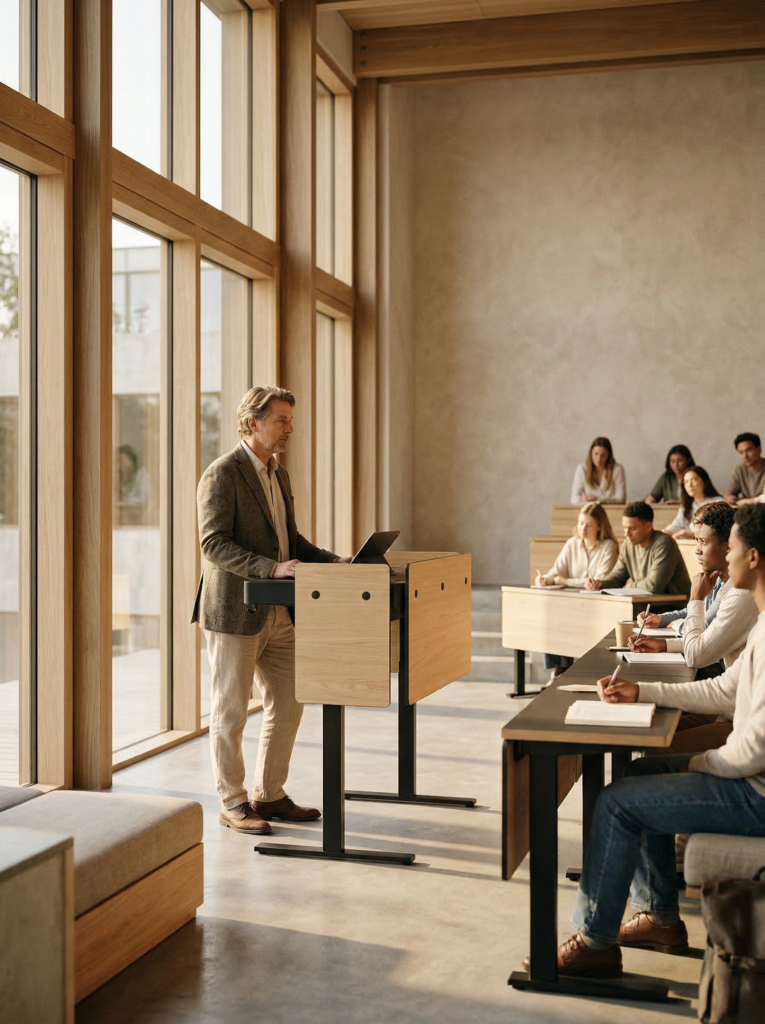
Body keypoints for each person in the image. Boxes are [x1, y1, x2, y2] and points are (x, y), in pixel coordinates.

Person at [524, 505, 765, 978]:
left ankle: (595, 942)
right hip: (749, 778)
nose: (722, 559)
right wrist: (643, 691)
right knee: (636, 774)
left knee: (617, 803)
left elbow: (752, 749)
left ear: (753, 557)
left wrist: (695, 763)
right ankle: (660, 917)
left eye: (731, 548)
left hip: (753, 793)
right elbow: (722, 688)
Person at [192, 385, 350, 836]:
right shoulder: (222, 474)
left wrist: (333, 561)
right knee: (231, 712)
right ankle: (233, 802)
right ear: (251, 423)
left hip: (280, 612)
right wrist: (271, 568)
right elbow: (213, 542)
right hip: (234, 613)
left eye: (289, 420)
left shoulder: (279, 475)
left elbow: (291, 542)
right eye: (281, 420)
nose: (289, 429)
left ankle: (269, 793)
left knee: (291, 700)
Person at [632, 502, 758, 673]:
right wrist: (664, 644)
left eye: (703, 542)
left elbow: (696, 655)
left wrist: (696, 599)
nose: (697, 550)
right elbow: (706, 642)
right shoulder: (726, 583)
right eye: (697, 541)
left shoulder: (742, 594)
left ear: (728, 547)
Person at [536, 503, 619, 683]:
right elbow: (557, 571)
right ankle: (558, 669)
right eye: (581, 523)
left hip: (597, 604)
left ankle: (563, 670)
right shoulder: (572, 543)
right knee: (551, 615)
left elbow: (599, 580)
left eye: (589, 525)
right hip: (573, 601)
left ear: (599, 526)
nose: (583, 528)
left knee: (568, 617)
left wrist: (565, 581)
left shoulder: (608, 546)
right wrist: (545, 579)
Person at [585, 501, 690, 595]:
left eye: (632, 528)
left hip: (674, 607)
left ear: (648, 527)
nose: (627, 534)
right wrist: (600, 583)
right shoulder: (628, 545)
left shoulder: (664, 544)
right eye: (625, 528)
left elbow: (653, 586)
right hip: (647, 605)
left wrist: (629, 587)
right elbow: (617, 577)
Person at [663, 465, 723, 539]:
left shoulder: (717, 502)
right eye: (686, 482)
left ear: (704, 481)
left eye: (693, 480)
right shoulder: (686, 505)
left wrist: (692, 534)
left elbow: (718, 529)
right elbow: (677, 525)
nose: (689, 485)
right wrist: (666, 531)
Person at [570, 437, 626, 505]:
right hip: (588, 512)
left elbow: (621, 498)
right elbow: (574, 498)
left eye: (603, 455)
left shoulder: (617, 469)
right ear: (591, 454)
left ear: (608, 455)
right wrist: (581, 499)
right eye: (596, 454)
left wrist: (599, 501)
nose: (598, 459)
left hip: (611, 512)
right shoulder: (582, 469)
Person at [725, 432, 765, 504]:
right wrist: (729, 497)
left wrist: (749, 501)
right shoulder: (739, 470)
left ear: (759, 449)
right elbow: (730, 492)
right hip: (747, 512)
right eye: (741, 452)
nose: (745, 456)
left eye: (749, 450)